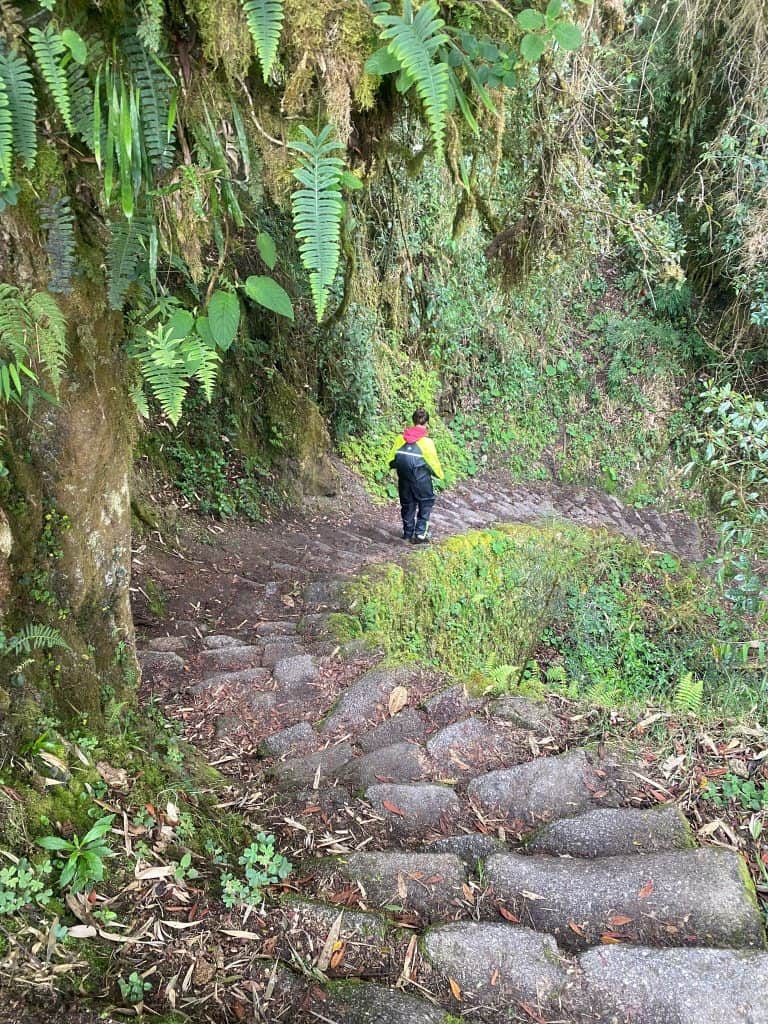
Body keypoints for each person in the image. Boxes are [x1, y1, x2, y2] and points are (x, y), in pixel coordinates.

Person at [388, 408, 444, 544]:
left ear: (412, 421)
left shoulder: (400, 439)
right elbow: (433, 463)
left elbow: (391, 460)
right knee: (426, 503)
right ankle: (419, 535)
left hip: (404, 479)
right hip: (421, 480)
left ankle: (407, 534)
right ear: (427, 423)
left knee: (407, 504)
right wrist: (440, 476)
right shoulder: (427, 443)